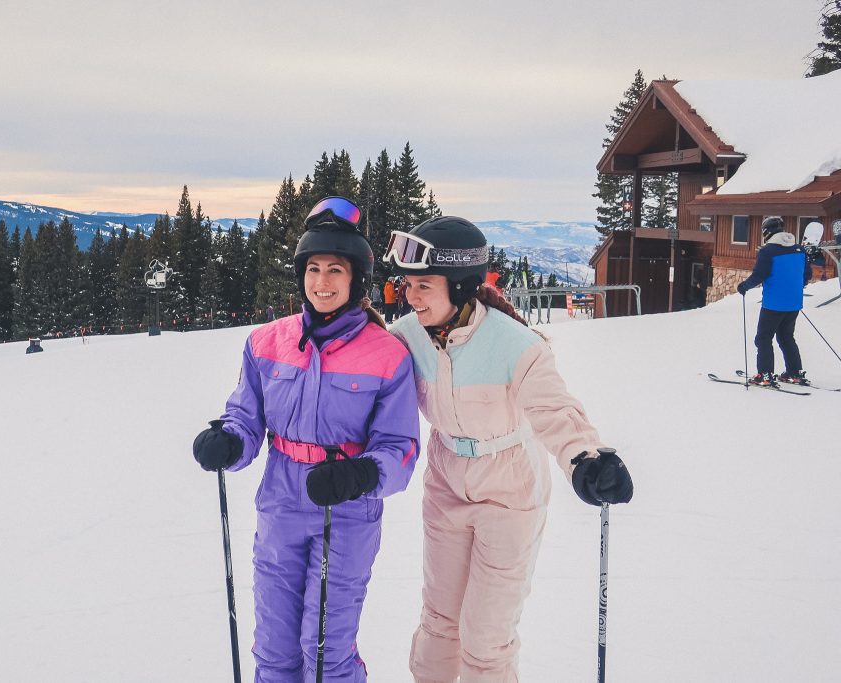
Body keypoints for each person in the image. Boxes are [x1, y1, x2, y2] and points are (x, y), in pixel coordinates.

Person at [381, 216, 634, 683]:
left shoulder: (516, 344)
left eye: (422, 285)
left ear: (459, 287)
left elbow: (556, 410)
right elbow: (359, 373)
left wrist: (586, 459)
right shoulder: (406, 337)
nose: (410, 296)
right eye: (406, 285)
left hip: (509, 493)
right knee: (439, 624)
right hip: (446, 484)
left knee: (485, 639)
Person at [192, 196, 421, 682]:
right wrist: (229, 442)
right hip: (281, 501)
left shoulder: (387, 354)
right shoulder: (265, 342)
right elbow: (246, 417)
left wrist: (361, 474)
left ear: (356, 279)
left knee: (325, 653)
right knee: (273, 651)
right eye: (313, 268)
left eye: (335, 270)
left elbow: (400, 447)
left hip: (346, 509)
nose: (322, 282)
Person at [737, 216, 813, 386]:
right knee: (786, 337)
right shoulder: (799, 249)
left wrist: (744, 286)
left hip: (773, 304)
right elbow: (807, 275)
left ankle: (765, 375)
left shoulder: (768, 251)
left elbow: (760, 275)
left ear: (766, 232)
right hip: (794, 303)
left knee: (763, 338)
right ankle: (794, 373)